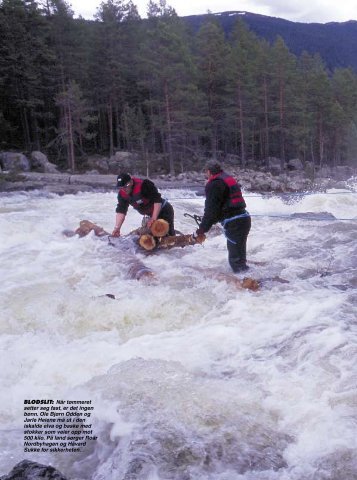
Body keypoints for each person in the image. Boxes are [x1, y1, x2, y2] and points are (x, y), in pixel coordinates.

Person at [193, 161, 251, 273]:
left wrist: (201, 230)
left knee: (236, 263)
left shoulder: (214, 184)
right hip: (244, 219)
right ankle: (251, 280)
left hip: (234, 223)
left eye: (206, 172)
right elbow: (220, 208)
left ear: (209, 172)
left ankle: (248, 285)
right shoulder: (226, 178)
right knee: (240, 260)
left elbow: (211, 211)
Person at [112, 173, 175, 237]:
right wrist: (117, 228)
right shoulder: (122, 194)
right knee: (149, 238)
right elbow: (121, 211)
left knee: (168, 236)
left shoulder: (144, 185)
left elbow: (157, 200)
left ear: (131, 182)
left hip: (164, 210)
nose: (124, 189)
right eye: (121, 187)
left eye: (125, 186)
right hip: (149, 215)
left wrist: (153, 218)